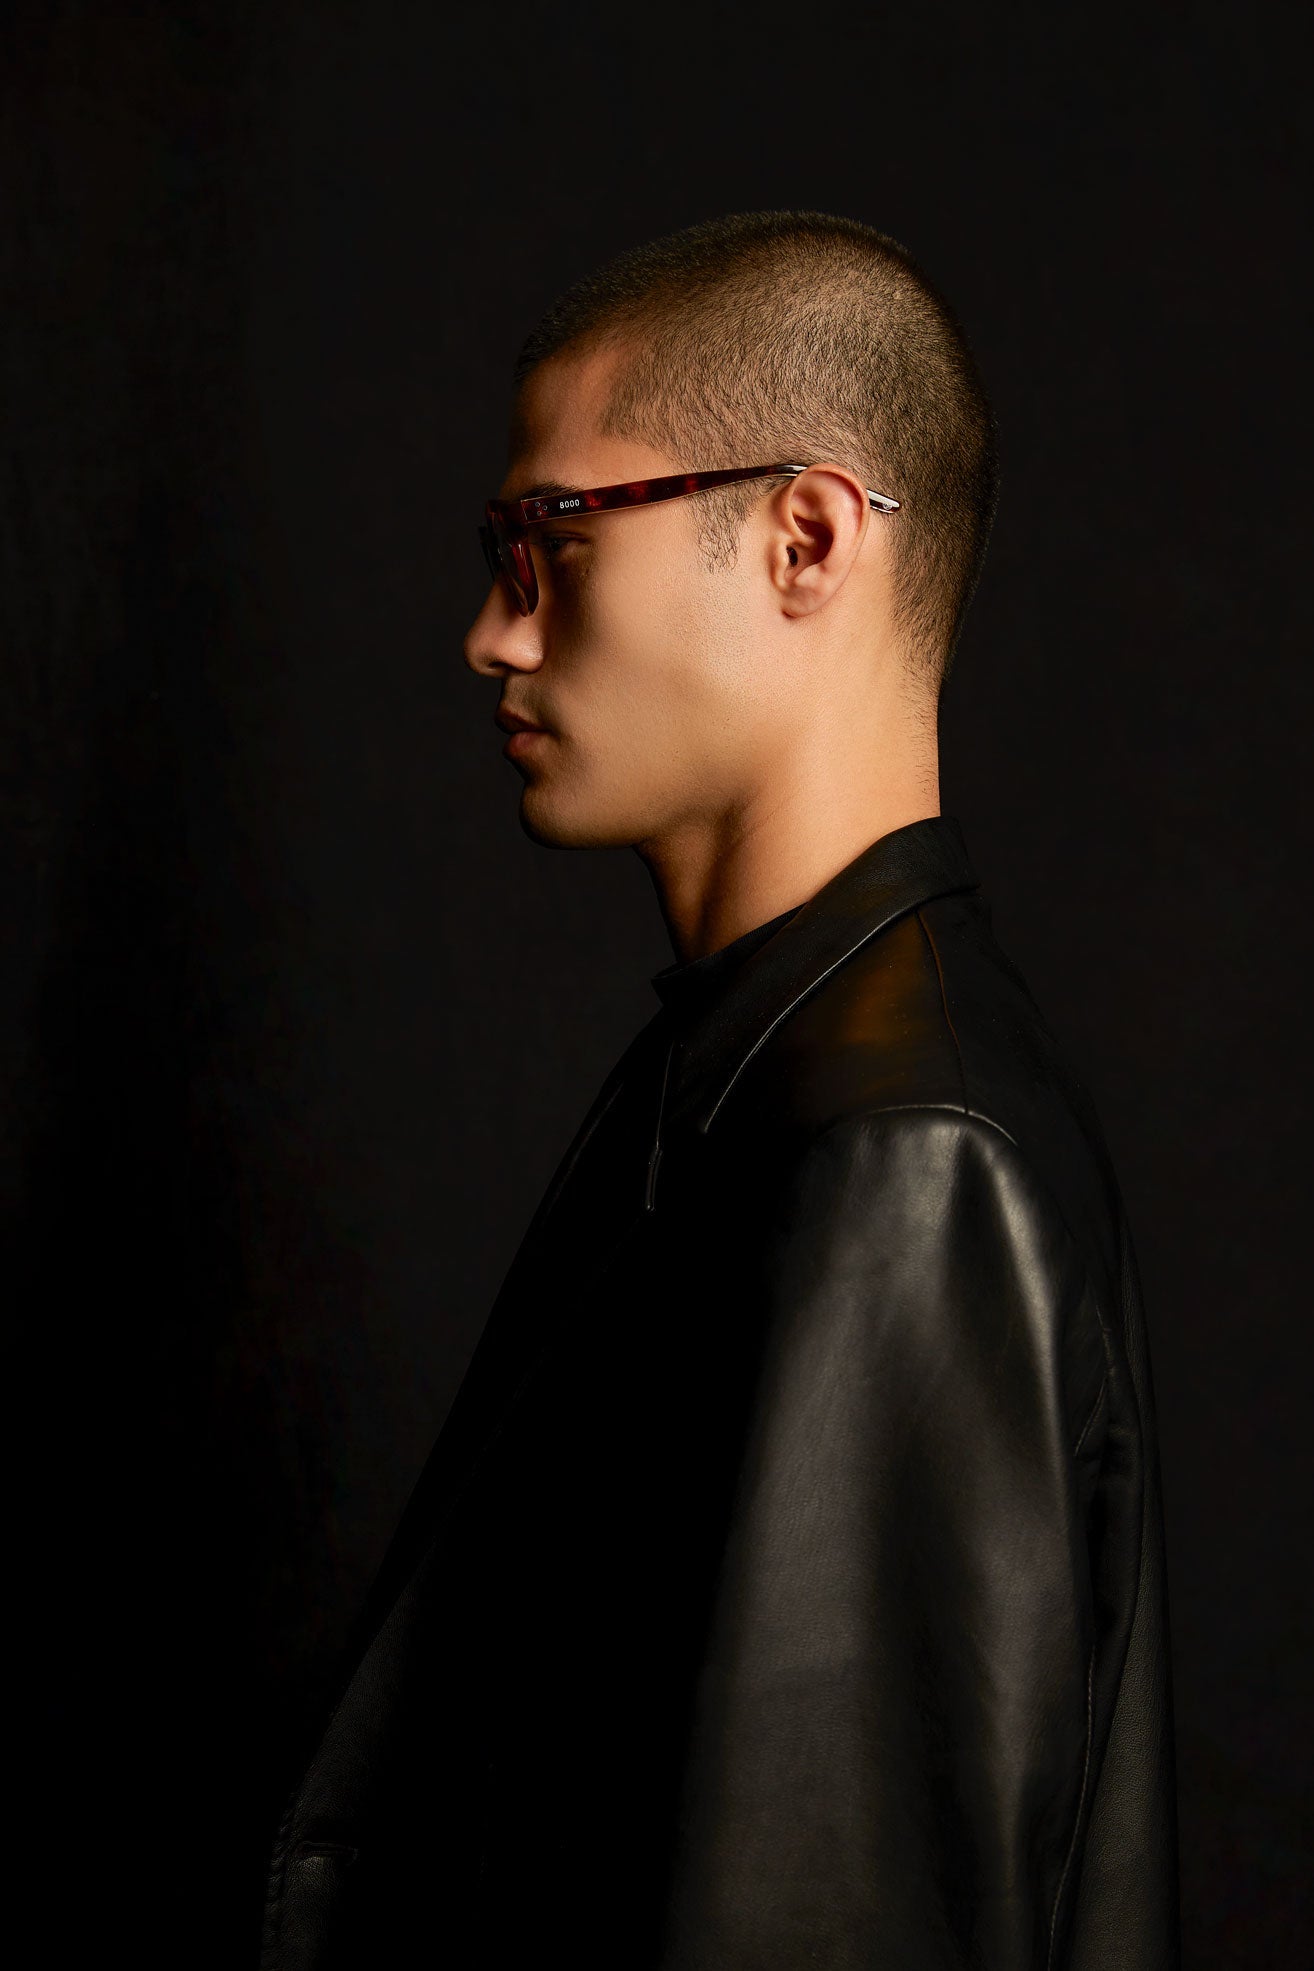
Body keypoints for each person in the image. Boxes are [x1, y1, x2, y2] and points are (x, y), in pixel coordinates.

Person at [260, 211, 1180, 1969]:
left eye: (551, 540)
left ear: (805, 538)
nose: (492, 635)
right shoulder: (766, 1075)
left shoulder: (898, 1156)